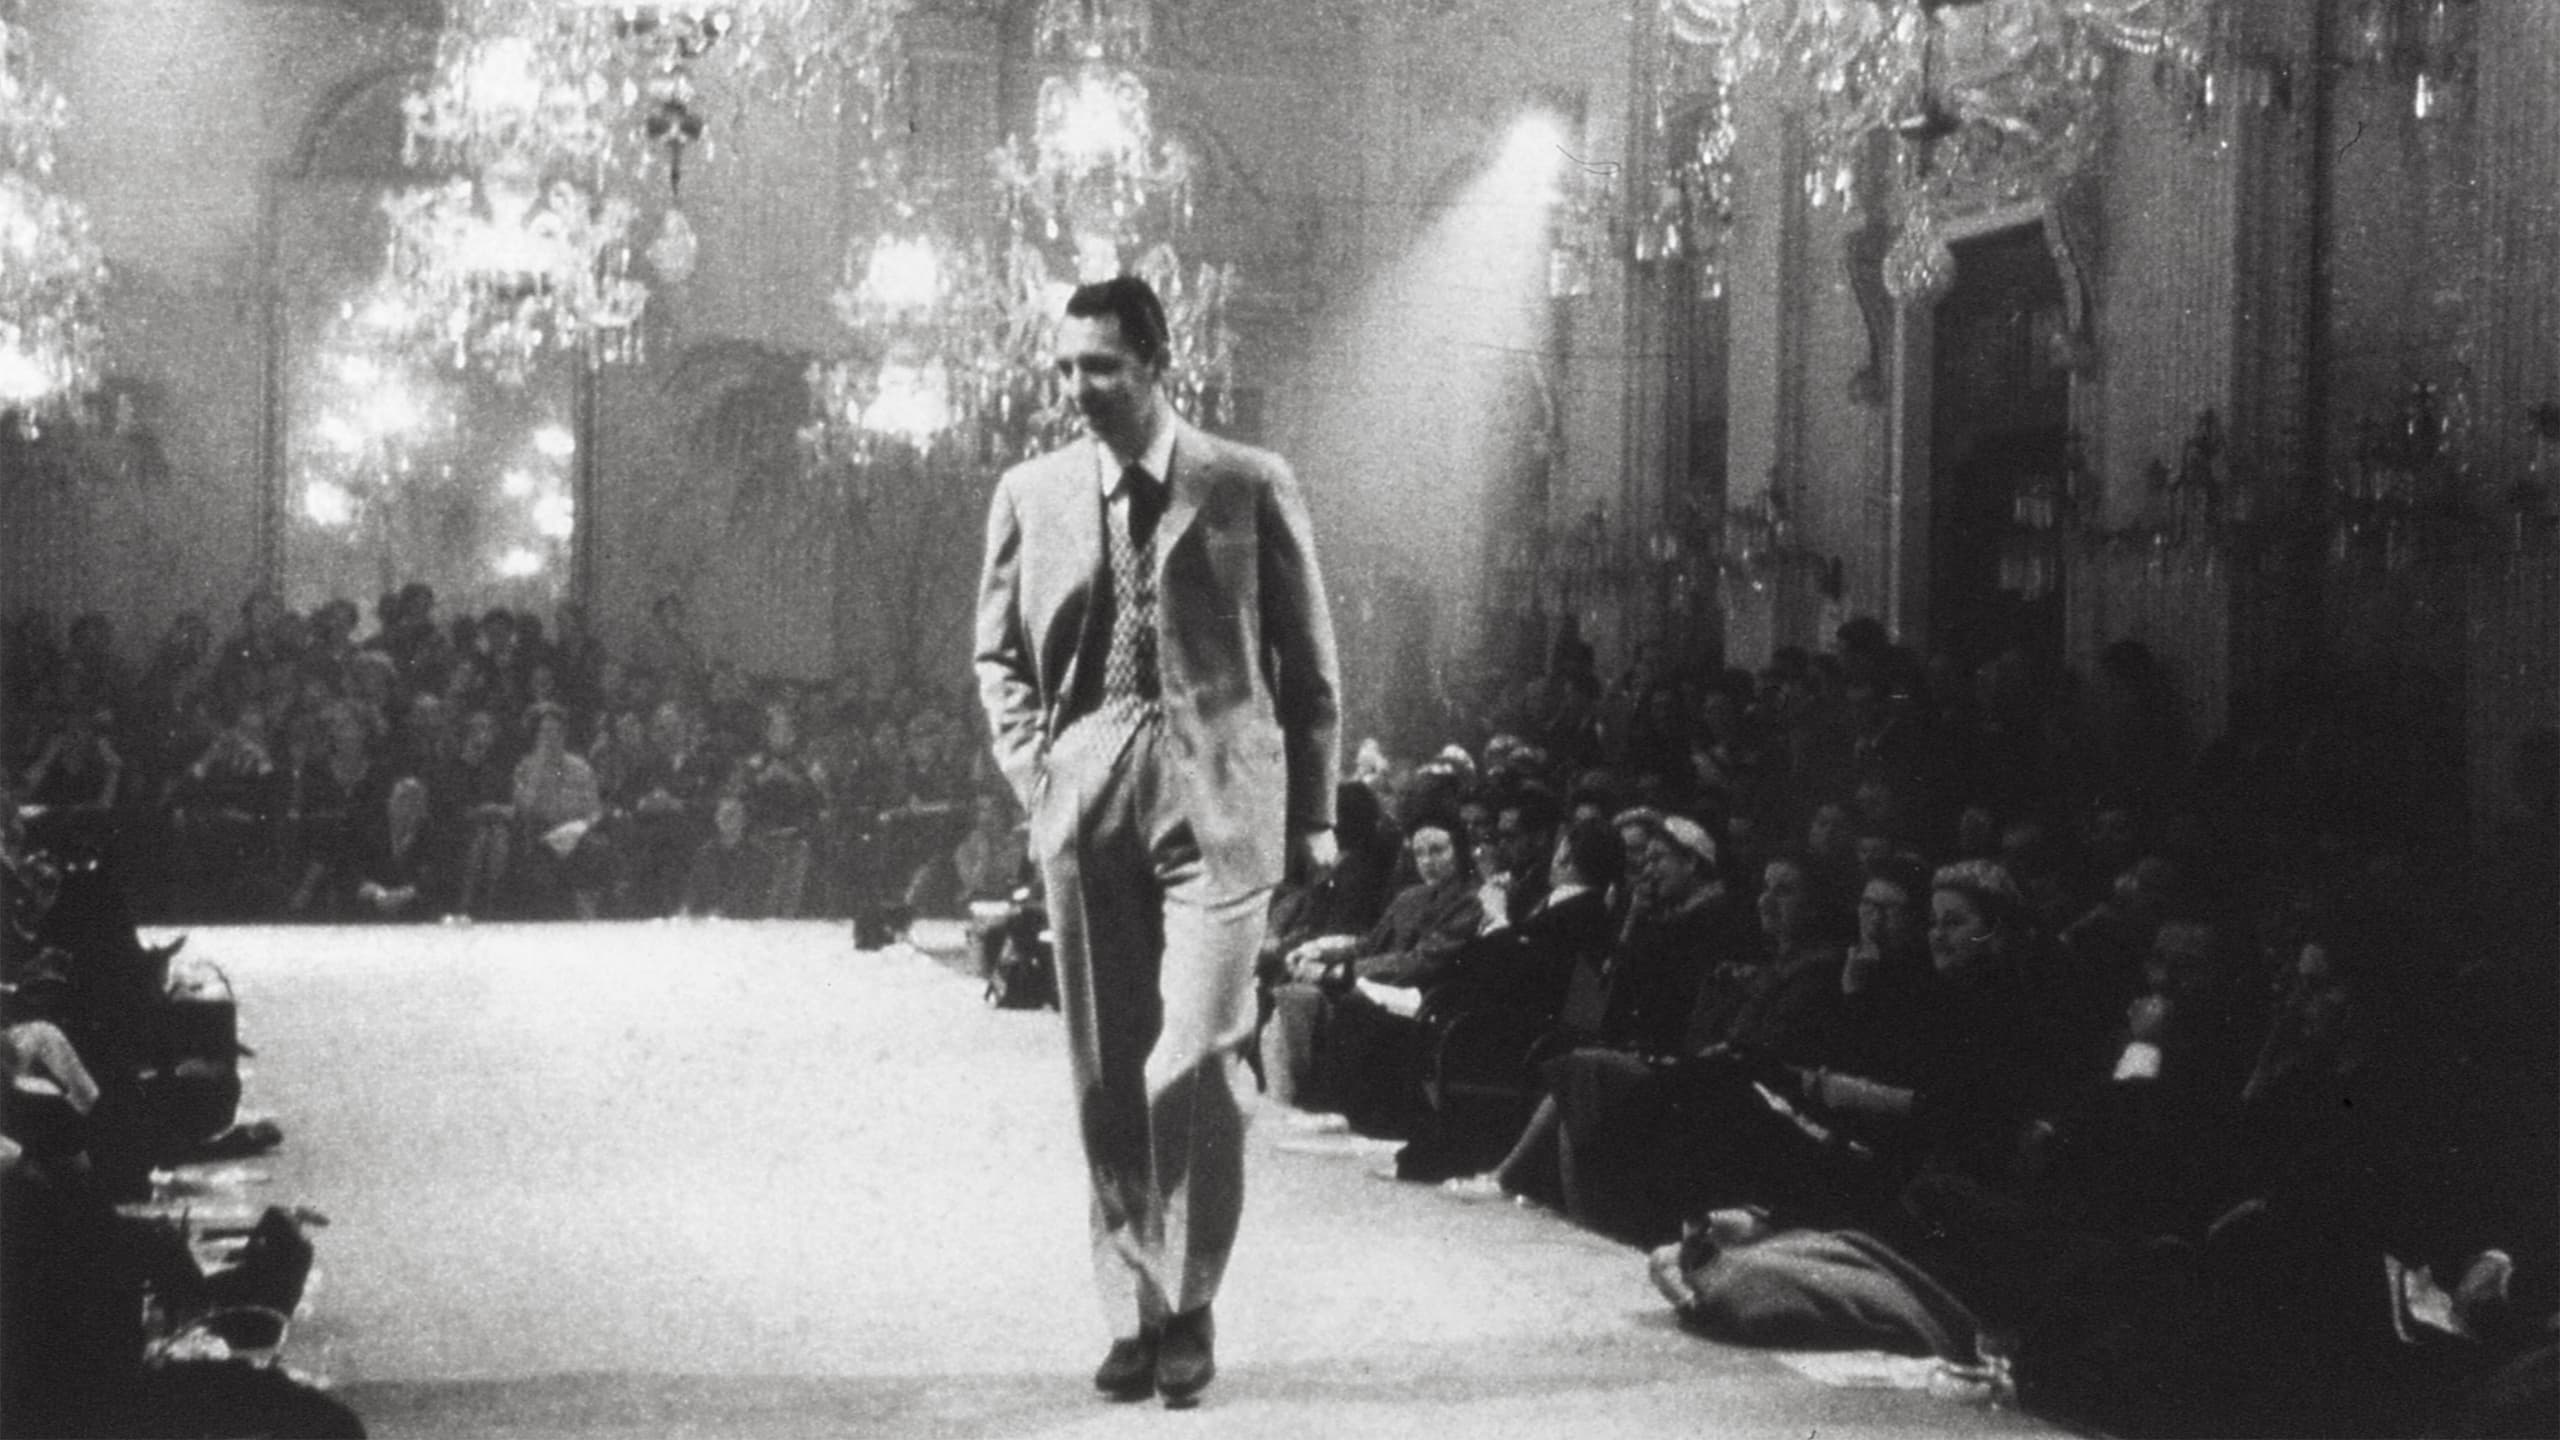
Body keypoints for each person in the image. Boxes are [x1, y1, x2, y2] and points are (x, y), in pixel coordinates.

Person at [973, 273, 1341, 1408]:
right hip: (1088, 787)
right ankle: (1131, 1308)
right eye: (1067, 367)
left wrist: (1317, 813)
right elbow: (996, 658)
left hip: (1220, 794)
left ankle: (1190, 1297)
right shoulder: (1031, 493)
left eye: (1103, 367)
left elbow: (1308, 662)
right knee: (1104, 1069)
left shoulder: (1243, 483)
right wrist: (1041, 769)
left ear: (1155, 363)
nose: (1079, 388)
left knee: (1191, 1053)